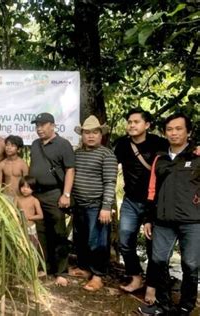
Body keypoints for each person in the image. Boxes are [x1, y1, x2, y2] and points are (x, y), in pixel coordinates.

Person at [138, 113, 199, 316]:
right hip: (163, 221)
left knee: (190, 264)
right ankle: (162, 305)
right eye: (170, 129)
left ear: (188, 132)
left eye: (179, 128)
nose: (174, 133)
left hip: (192, 221)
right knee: (158, 262)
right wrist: (148, 219)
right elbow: (152, 191)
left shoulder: (197, 156)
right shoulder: (160, 159)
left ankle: (185, 307)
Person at [114, 109, 168, 302]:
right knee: (125, 241)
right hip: (130, 201)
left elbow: (180, 155)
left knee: (154, 246)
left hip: (154, 203)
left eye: (136, 122)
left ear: (147, 125)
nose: (132, 125)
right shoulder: (122, 144)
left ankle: (153, 286)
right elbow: (111, 164)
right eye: (129, 121)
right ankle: (136, 276)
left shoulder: (160, 144)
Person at [71, 116, 118, 291]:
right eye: (87, 132)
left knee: (97, 242)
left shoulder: (107, 154)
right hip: (79, 204)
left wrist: (106, 207)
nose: (91, 136)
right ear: (82, 134)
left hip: (97, 206)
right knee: (81, 239)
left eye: (95, 132)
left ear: (101, 135)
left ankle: (98, 275)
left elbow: (110, 182)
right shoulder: (77, 153)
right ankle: (84, 268)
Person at [29, 112, 74, 286]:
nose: (39, 129)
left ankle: (61, 271)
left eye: (42, 125)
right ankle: (44, 267)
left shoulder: (63, 144)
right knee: (40, 232)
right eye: (37, 126)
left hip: (55, 194)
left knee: (58, 232)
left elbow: (70, 169)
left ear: (52, 125)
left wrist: (66, 194)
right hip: (36, 194)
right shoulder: (34, 144)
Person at [15, 176, 43, 248]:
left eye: (28, 187)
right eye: (22, 186)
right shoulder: (17, 199)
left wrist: (30, 217)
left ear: (33, 189)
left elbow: (40, 215)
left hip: (31, 228)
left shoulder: (34, 200)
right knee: (21, 247)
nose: (25, 189)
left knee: (32, 247)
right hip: (19, 227)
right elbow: (13, 211)